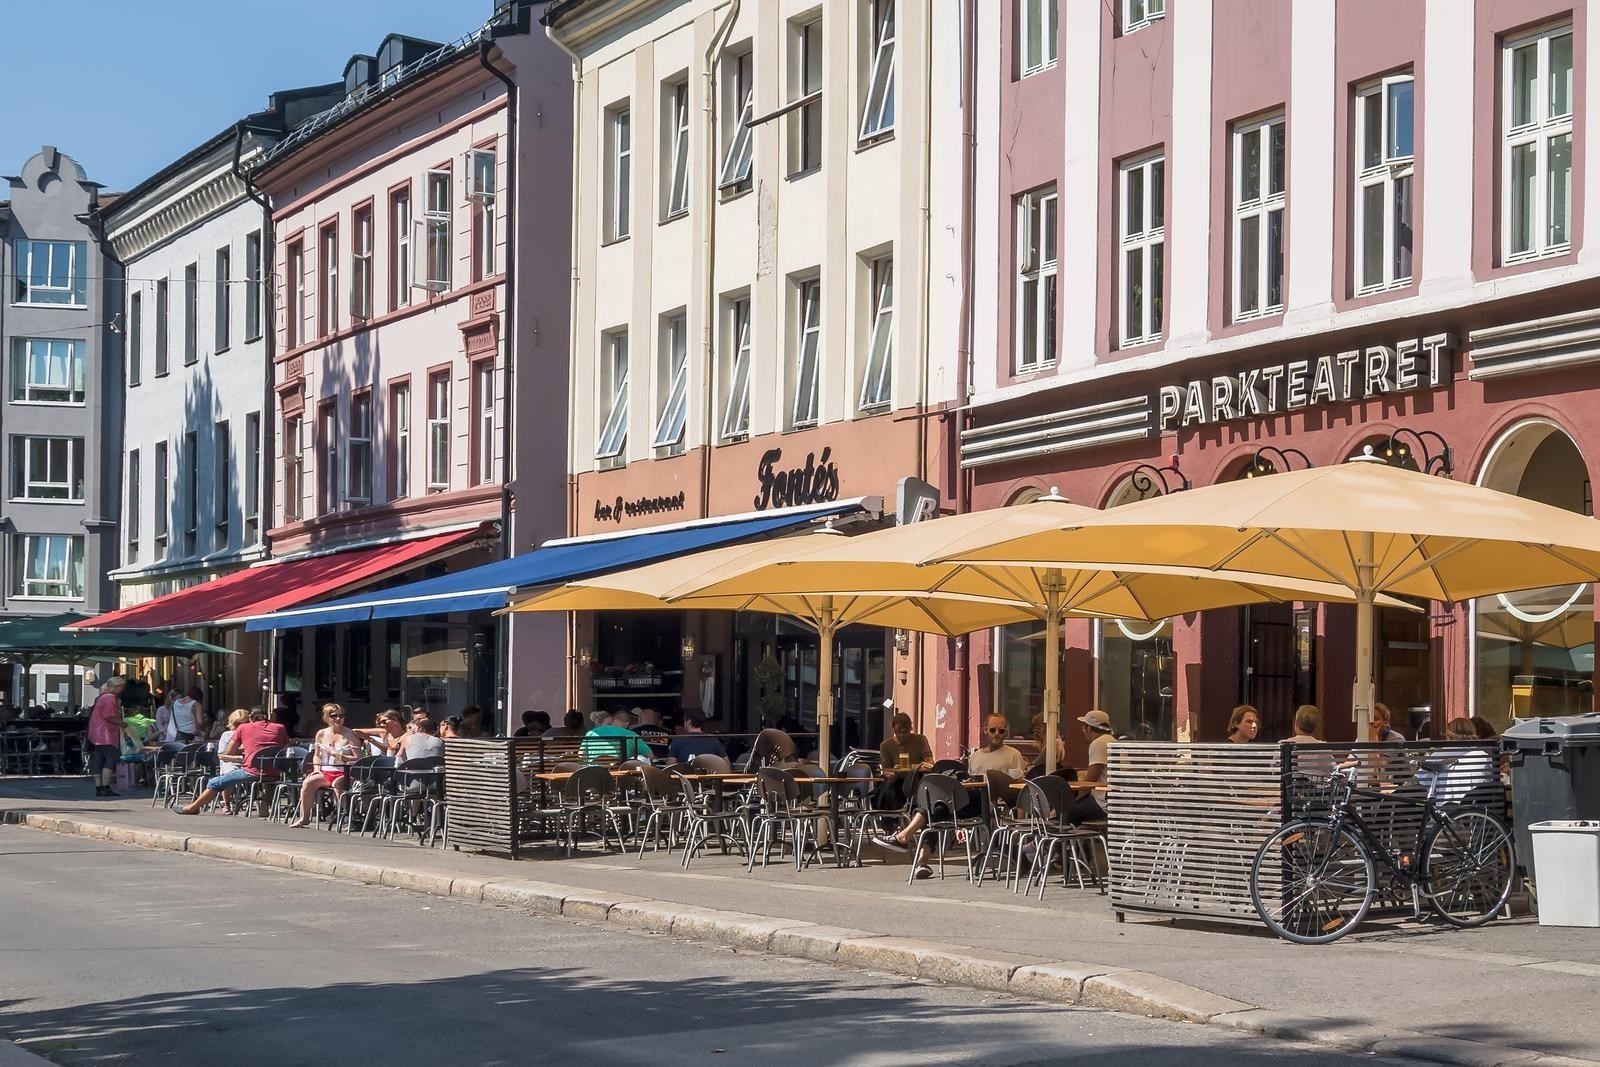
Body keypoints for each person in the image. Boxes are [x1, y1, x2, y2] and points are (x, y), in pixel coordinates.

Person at [179, 707, 290, 814]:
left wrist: (245, 749)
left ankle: (193, 808)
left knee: (214, 782)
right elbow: (286, 749)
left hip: (251, 771)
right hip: (275, 770)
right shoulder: (280, 728)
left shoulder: (244, 728)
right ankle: (266, 803)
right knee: (269, 777)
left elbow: (229, 751)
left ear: (250, 717)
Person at [290, 704, 363, 828]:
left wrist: (337, 755)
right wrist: (317, 769)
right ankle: (304, 818)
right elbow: (317, 755)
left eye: (341, 716)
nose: (338, 719)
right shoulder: (321, 734)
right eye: (334, 716)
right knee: (308, 782)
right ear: (327, 717)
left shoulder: (350, 735)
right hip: (326, 770)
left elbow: (358, 758)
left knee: (338, 785)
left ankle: (347, 817)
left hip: (345, 772)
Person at [1437, 717, 1497, 804]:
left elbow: (1421, 781)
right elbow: (1490, 783)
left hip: (1444, 812)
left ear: (1448, 735)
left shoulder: (1438, 755)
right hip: (1476, 812)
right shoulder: (1483, 757)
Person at [86, 677, 128, 797]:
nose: (123, 689)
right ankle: (106, 787)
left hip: (96, 733)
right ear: (117, 686)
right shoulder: (110, 698)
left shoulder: (102, 698)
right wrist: (121, 723)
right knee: (111, 758)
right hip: (105, 733)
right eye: (122, 686)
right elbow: (108, 716)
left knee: (99, 760)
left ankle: (99, 788)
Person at [967, 714, 1029, 778]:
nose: (997, 733)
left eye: (1001, 731)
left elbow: (1019, 783)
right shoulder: (975, 757)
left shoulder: (1014, 755)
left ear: (1005, 732)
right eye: (992, 730)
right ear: (985, 730)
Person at [580, 708, 651, 761]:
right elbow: (650, 756)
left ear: (613, 720)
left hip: (595, 773)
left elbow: (581, 755)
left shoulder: (590, 733)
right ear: (627, 723)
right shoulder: (631, 734)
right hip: (619, 774)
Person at [1025, 713, 1073, 781]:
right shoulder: (1046, 743)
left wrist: (1029, 764)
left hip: (1051, 776)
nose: (1036, 733)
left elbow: (1039, 762)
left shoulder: (1054, 743)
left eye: (1037, 730)